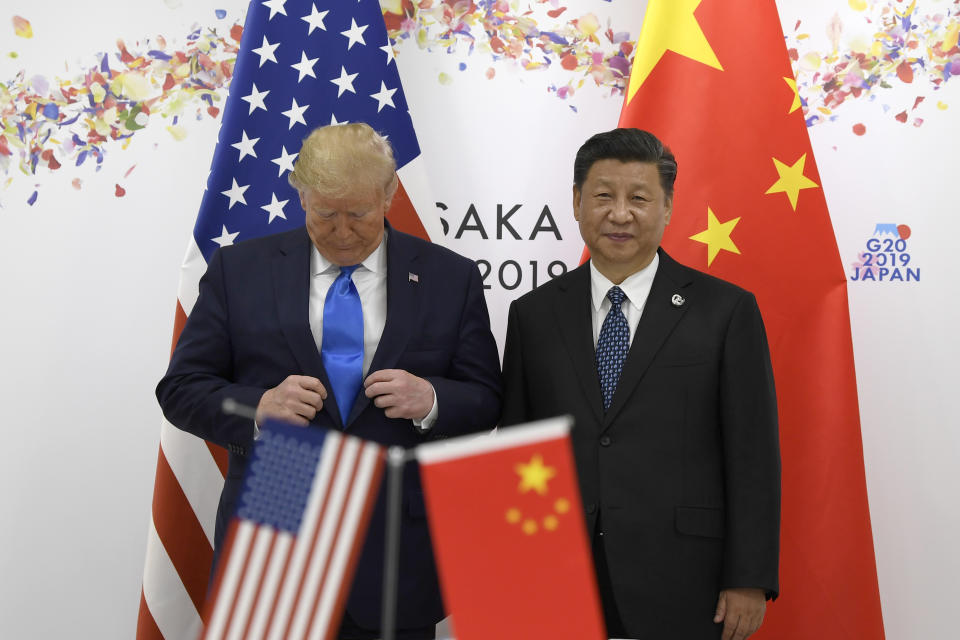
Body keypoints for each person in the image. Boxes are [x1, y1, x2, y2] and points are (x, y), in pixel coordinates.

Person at [157, 122, 502, 640]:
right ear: (301, 196)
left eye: (359, 214)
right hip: (275, 544)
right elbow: (181, 389)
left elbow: (486, 398)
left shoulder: (448, 277)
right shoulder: (239, 270)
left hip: (394, 552)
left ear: (388, 194)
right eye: (325, 214)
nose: (343, 231)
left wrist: (431, 399)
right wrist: (258, 408)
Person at [500, 128, 780, 640]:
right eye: (604, 196)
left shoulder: (726, 310)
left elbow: (753, 454)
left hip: (684, 574)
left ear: (668, 207)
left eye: (639, 198)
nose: (620, 214)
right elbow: (516, 448)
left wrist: (749, 577)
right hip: (560, 570)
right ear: (578, 202)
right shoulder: (533, 314)